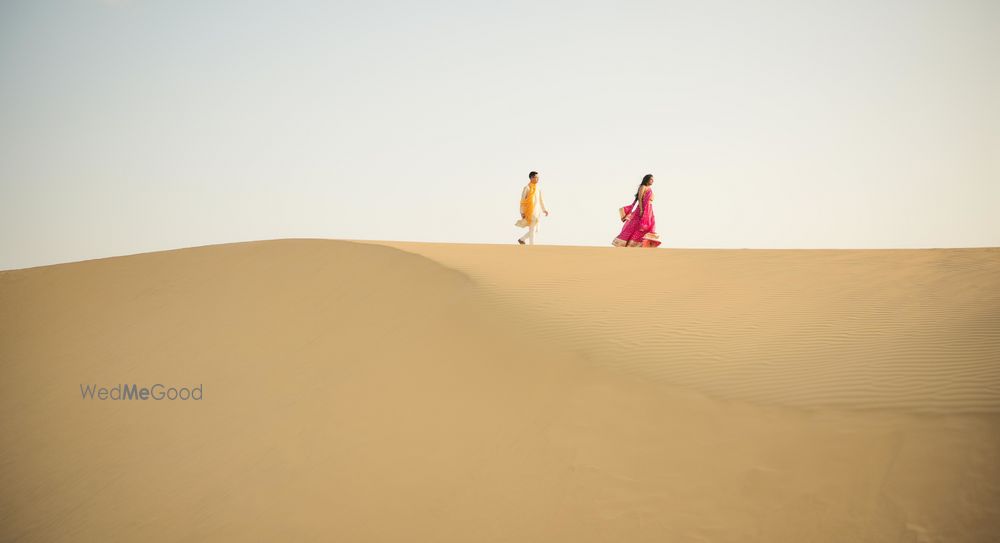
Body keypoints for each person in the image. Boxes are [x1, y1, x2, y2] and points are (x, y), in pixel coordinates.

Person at [613, 174, 661, 247]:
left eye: (653, 180)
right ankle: (629, 243)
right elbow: (640, 199)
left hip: (649, 210)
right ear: (647, 179)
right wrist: (641, 210)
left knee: (648, 226)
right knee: (635, 226)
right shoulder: (643, 187)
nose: (652, 181)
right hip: (643, 209)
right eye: (651, 179)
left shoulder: (649, 189)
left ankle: (643, 243)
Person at [515, 171, 549, 245]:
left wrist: (544, 209)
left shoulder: (538, 189)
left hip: (537, 211)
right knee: (533, 228)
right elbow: (522, 201)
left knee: (535, 229)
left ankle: (522, 239)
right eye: (536, 177)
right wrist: (522, 212)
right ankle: (531, 246)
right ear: (531, 178)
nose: (538, 179)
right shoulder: (527, 188)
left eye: (538, 178)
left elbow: (541, 200)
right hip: (529, 211)